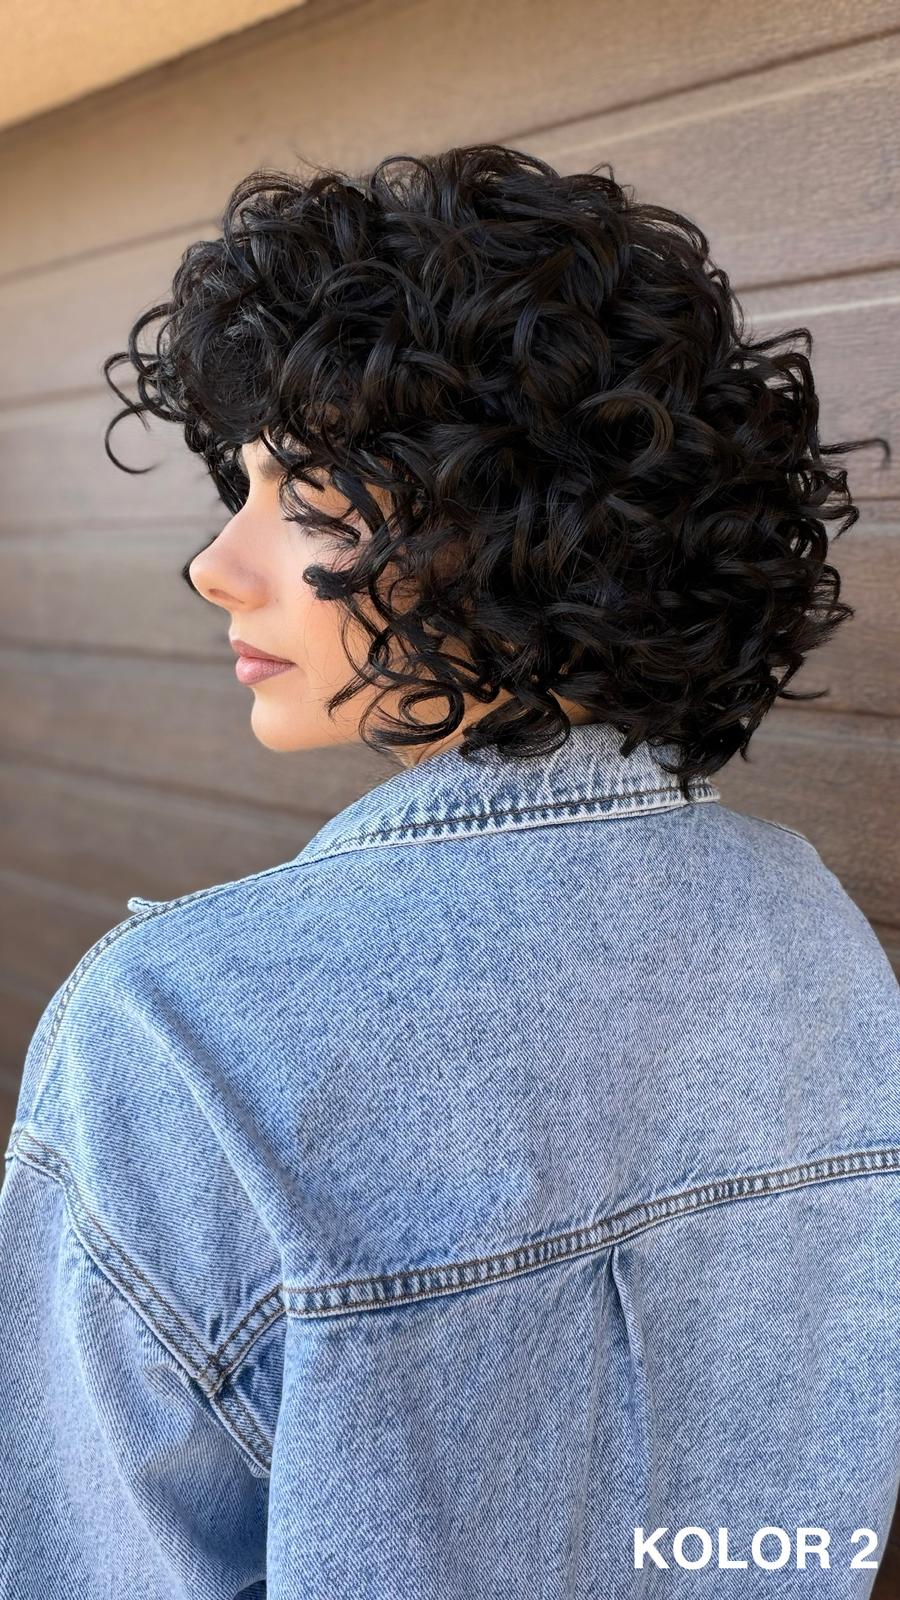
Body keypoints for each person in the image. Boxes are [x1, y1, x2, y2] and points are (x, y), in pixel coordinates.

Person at [1, 142, 897, 1598]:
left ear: (518, 518)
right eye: (241, 485)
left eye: (308, 493)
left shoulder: (181, 1034)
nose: (215, 566)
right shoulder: (808, 927)